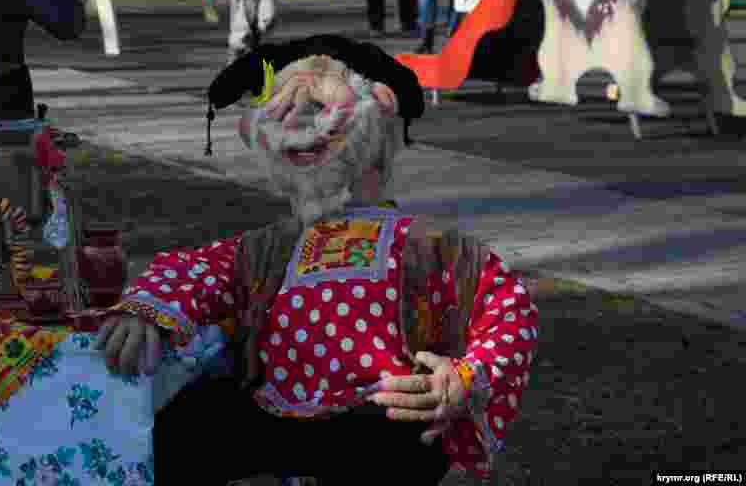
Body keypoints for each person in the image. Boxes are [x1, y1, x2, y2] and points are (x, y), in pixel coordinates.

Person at [97, 34, 540, 483]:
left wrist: (466, 375)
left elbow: (507, 307)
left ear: (380, 117)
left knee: (399, 446)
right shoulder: (268, 247)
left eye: (316, 106)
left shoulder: (431, 245)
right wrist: (149, 309)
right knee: (181, 430)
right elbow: (197, 269)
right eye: (287, 109)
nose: (301, 122)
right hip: (271, 410)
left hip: (384, 413)